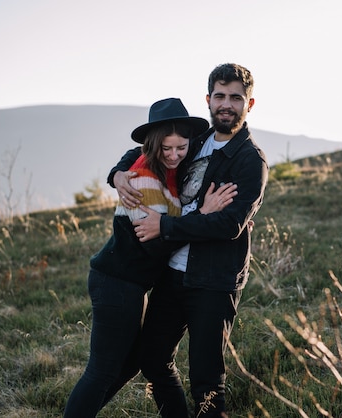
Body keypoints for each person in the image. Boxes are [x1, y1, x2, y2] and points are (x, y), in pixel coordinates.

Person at [111, 63, 268, 417]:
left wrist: (165, 227)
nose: (226, 104)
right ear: (208, 99)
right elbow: (148, 149)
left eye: (236, 98)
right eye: (220, 96)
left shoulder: (249, 160)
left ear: (250, 104)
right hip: (172, 274)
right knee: (152, 359)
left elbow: (229, 224)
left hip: (213, 281)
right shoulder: (195, 141)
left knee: (207, 381)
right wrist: (118, 174)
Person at [63, 98, 237, 417]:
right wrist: (202, 215)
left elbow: (165, 229)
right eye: (166, 149)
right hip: (116, 282)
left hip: (133, 285)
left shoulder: (167, 172)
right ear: (153, 146)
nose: (174, 156)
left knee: (130, 365)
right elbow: (155, 246)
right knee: (102, 370)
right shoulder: (142, 180)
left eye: (181, 148)